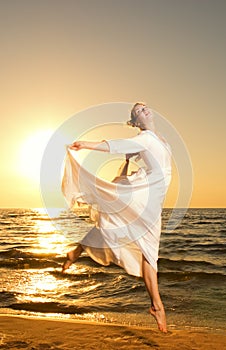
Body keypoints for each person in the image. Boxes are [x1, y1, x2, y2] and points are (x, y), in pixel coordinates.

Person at [61, 102, 172, 333]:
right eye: (139, 111)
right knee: (149, 249)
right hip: (146, 196)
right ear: (136, 122)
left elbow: (131, 151)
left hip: (153, 194)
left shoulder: (157, 138)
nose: (145, 110)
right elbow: (116, 145)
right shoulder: (145, 138)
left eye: (145, 107)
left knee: (123, 229)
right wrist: (87, 145)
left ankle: (77, 251)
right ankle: (157, 306)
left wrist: (130, 158)